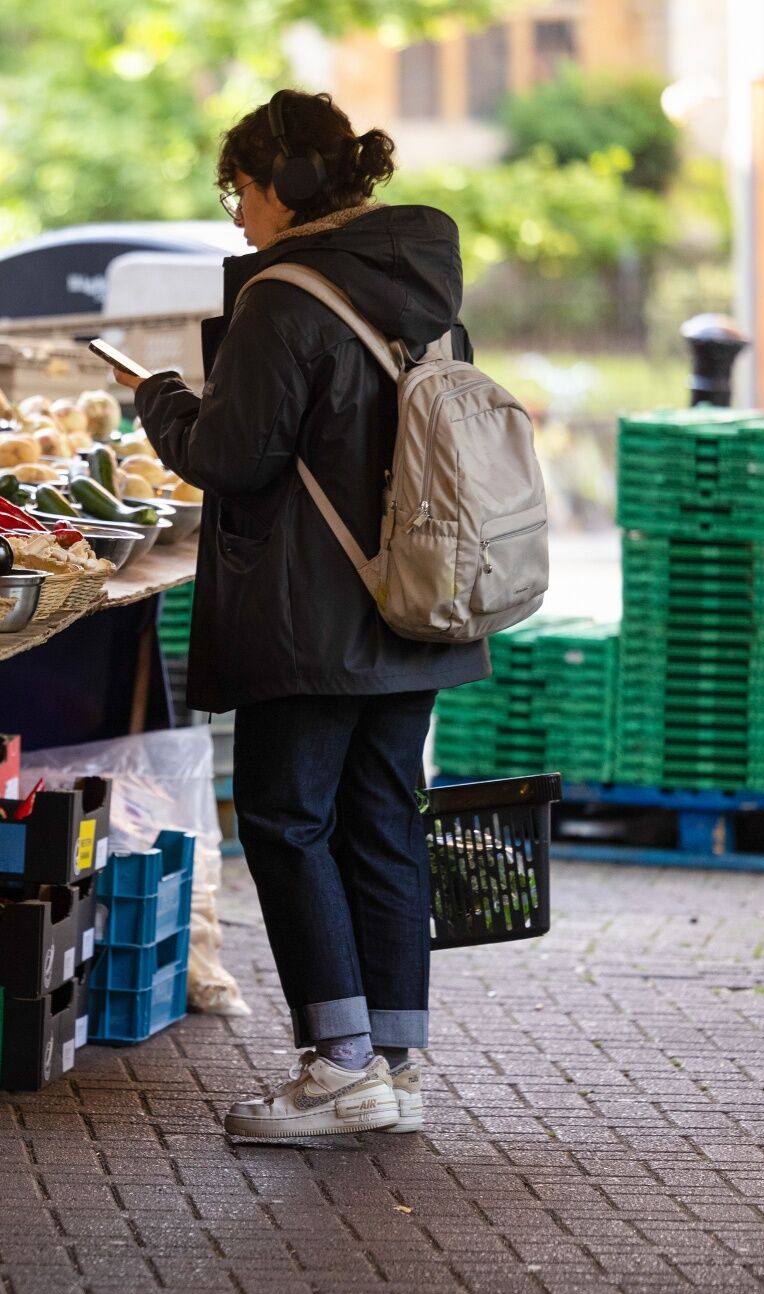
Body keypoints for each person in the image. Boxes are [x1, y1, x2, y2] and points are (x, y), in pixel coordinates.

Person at [110, 90, 488, 1139]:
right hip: (416, 598)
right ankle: (393, 1064)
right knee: (380, 818)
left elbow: (231, 458)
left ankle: (335, 1065)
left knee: (284, 818)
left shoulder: (284, 296)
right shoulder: (417, 284)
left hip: (310, 612)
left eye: (237, 188)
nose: (235, 214)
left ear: (284, 184)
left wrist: (158, 400)